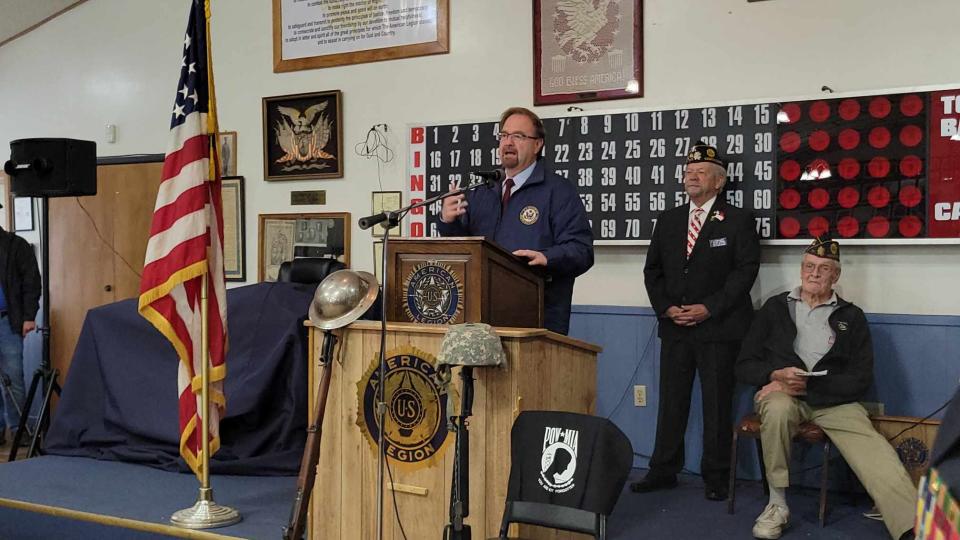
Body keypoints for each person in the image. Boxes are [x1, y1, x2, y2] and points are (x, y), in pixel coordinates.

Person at [736, 236, 916, 540]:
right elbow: (743, 365)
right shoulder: (775, 308)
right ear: (801, 269)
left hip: (834, 401)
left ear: (836, 275)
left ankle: (912, 524)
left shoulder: (851, 316)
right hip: (782, 394)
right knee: (778, 409)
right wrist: (774, 374)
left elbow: (861, 378)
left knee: (872, 445)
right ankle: (777, 504)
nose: (814, 274)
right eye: (809, 266)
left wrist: (811, 386)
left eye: (823, 268)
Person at [632, 141, 760, 501]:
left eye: (700, 172)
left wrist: (709, 308)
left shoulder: (738, 220)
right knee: (671, 402)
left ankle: (716, 475)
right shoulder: (670, 220)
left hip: (719, 329)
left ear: (719, 182)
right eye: (688, 172)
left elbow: (744, 272)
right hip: (675, 327)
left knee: (717, 405)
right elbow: (652, 270)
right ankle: (663, 470)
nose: (691, 176)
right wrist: (666, 307)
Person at [437, 106, 593, 335]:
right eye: (504, 135)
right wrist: (448, 220)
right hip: (479, 321)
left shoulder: (558, 191)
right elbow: (464, 252)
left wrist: (547, 257)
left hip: (536, 322)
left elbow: (582, 250)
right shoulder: (481, 190)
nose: (508, 142)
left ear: (538, 144)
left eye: (518, 136)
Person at [0, 217, 41, 446]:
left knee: (13, 378)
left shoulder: (16, 245)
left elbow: (32, 282)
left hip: (8, 321)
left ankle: (18, 429)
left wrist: (28, 317)